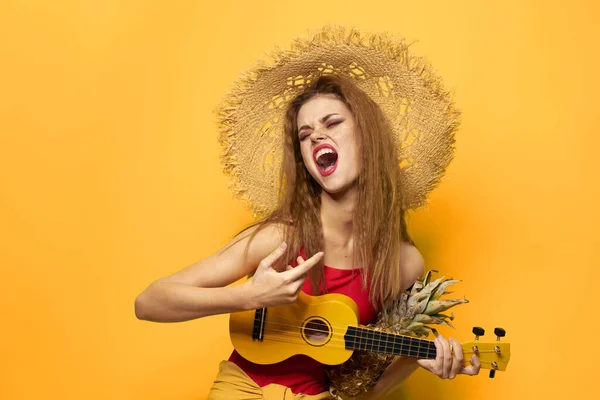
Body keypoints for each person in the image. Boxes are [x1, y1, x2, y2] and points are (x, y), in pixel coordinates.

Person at [135, 26, 481, 399]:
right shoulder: (280, 238)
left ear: (368, 136)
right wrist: (250, 297)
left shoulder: (403, 263)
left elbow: (362, 386)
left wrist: (418, 359)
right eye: (304, 134)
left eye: (332, 123)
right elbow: (150, 302)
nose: (316, 136)